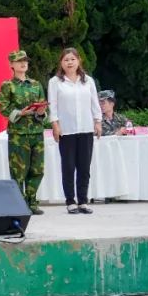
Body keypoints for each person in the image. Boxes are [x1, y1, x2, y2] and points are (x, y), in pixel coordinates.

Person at [48, 47, 102, 214]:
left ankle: (83, 201)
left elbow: (94, 103)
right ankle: (70, 201)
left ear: (79, 61)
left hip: (86, 129)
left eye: (72, 59)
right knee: (68, 167)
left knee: (84, 167)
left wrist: (98, 121)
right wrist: (55, 125)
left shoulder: (88, 81)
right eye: (66, 60)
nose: (69, 62)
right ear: (61, 63)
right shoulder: (55, 82)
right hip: (66, 130)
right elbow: (53, 105)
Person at [0, 50, 47, 215]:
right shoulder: (8, 85)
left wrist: (41, 112)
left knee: (37, 170)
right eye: (19, 61)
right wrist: (20, 113)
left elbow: (42, 107)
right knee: (18, 171)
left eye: (25, 60)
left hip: (36, 132)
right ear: (11, 64)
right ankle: (18, 204)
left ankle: (32, 202)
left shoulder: (36, 84)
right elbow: (4, 108)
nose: (23, 63)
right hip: (18, 134)